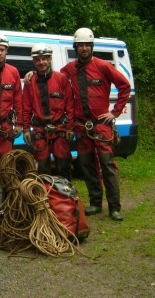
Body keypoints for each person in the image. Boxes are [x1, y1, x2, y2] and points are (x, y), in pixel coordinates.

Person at [61, 28, 130, 221]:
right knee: (87, 165)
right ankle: (95, 203)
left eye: (87, 45)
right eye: (81, 45)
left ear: (92, 47)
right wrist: (32, 73)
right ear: (76, 47)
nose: (84, 48)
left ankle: (114, 207)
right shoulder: (70, 69)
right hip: (82, 127)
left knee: (107, 165)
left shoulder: (103, 66)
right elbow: (54, 78)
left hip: (101, 126)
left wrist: (115, 112)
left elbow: (124, 86)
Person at [22, 43, 74, 179]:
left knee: (63, 165)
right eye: (38, 59)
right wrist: (26, 129)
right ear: (33, 61)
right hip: (40, 130)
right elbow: (26, 108)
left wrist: (70, 128)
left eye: (44, 58)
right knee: (43, 167)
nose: (41, 62)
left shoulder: (61, 79)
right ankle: (45, 197)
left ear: (50, 58)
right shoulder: (30, 82)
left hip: (60, 129)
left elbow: (69, 104)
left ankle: (66, 197)